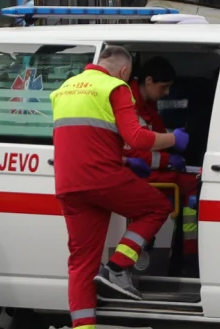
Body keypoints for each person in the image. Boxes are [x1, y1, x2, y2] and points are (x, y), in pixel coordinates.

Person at [51, 45, 189, 324]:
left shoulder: (66, 87)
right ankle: (117, 266)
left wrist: (126, 162)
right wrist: (174, 139)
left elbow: (84, 138)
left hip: (68, 184)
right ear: (125, 71)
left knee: (81, 263)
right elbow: (137, 138)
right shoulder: (115, 87)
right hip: (103, 178)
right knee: (156, 208)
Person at [121, 58, 200, 262]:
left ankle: (184, 252)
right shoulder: (129, 104)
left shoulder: (146, 104)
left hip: (141, 168)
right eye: (163, 87)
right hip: (132, 170)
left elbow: (155, 137)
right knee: (191, 184)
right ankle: (189, 256)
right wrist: (168, 160)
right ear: (148, 81)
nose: (166, 93)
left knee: (192, 181)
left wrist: (172, 150)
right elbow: (135, 152)